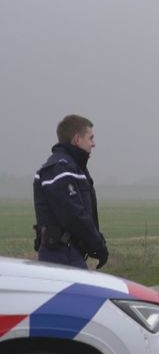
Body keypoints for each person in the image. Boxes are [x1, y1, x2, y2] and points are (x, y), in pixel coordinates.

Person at [32, 115, 108, 269]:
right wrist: (98, 245)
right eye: (90, 138)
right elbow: (74, 216)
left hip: (70, 253)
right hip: (61, 255)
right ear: (77, 139)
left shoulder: (74, 168)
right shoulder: (60, 169)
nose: (93, 144)